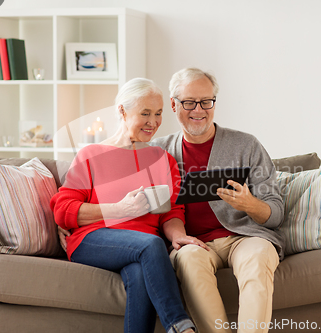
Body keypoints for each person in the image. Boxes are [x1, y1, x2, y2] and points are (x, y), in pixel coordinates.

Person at [51, 78, 207, 333]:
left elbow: (172, 211)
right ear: (123, 110)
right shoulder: (91, 154)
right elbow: (63, 209)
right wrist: (120, 210)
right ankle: (180, 326)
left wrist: (179, 237)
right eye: (145, 113)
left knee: (139, 275)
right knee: (151, 244)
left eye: (158, 114)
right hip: (93, 240)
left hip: (142, 248)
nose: (154, 122)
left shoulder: (162, 160)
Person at [150, 68, 285, 333]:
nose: (198, 110)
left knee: (258, 257)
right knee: (187, 261)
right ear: (173, 104)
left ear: (214, 102)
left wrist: (249, 204)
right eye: (189, 102)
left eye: (206, 101)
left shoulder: (246, 145)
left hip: (245, 238)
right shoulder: (158, 150)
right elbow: (140, 205)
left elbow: (277, 212)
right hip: (193, 243)